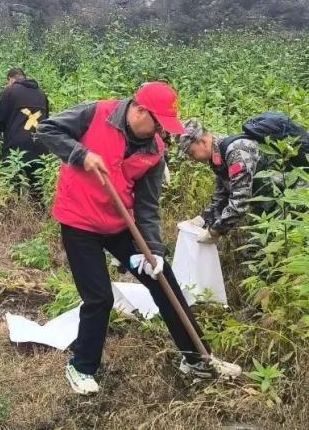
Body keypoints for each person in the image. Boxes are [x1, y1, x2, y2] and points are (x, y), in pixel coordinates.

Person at [35, 82, 241, 395]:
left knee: (162, 278)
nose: (160, 131)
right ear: (140, 111)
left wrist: (154, 251)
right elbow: (46, 129)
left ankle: (197, 359)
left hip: (120, 224)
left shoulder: (155, 150)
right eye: (157, 123)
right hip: (79, 221)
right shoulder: (96, 114)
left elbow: (147, 206)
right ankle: (81, 367)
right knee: (99, 297)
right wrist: (81, 154)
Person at [178, 117, 307, 242]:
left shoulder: (236, 152)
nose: (192, 159)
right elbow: (223, 196)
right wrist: (203, 219)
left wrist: (215, 231)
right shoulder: (218, 157)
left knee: (274, 243)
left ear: (203, 142)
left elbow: (241, 199)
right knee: (261, 243)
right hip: (270, 200)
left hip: (291, 196)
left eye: (191, 153)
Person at [0, 68, 49, 199]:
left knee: (12, 183)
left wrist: (2, 130)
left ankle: (15, 208)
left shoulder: (9, 91)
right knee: (37, 185)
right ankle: (36, 210)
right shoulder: (42, 94)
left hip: (15, 146)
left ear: (10, 79)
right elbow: (47, 119)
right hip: (39, 143)